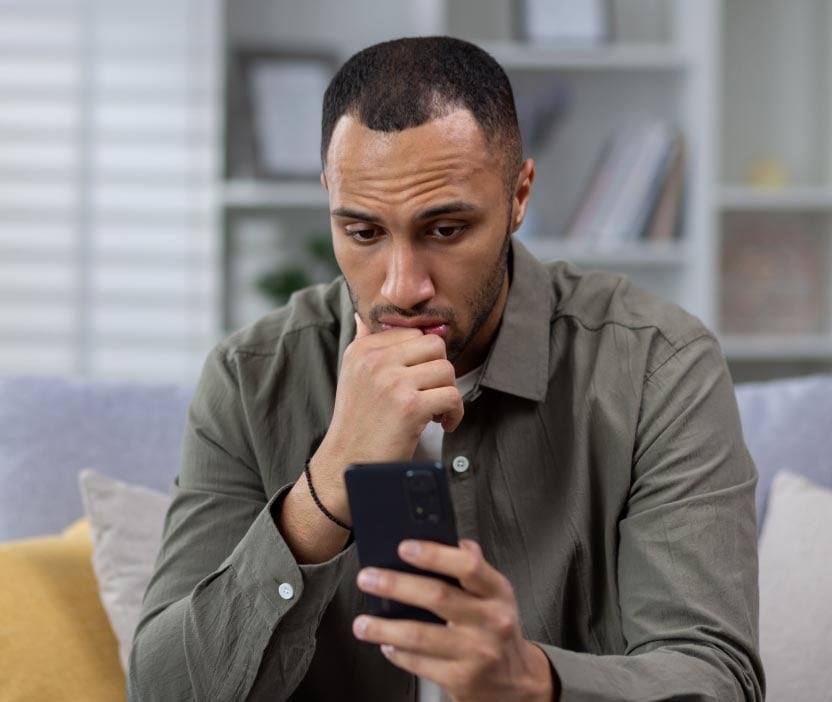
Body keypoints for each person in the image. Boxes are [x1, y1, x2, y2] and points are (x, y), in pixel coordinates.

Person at [128, 36, 764, 701]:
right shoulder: (248, 376)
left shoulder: (659, 368)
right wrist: (324, 488)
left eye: (446, 229)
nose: (402, 287)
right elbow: (163, 691)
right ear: (330, 198)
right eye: (364, 232)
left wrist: (531, 680)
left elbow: (716, 678)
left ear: (519, 196)